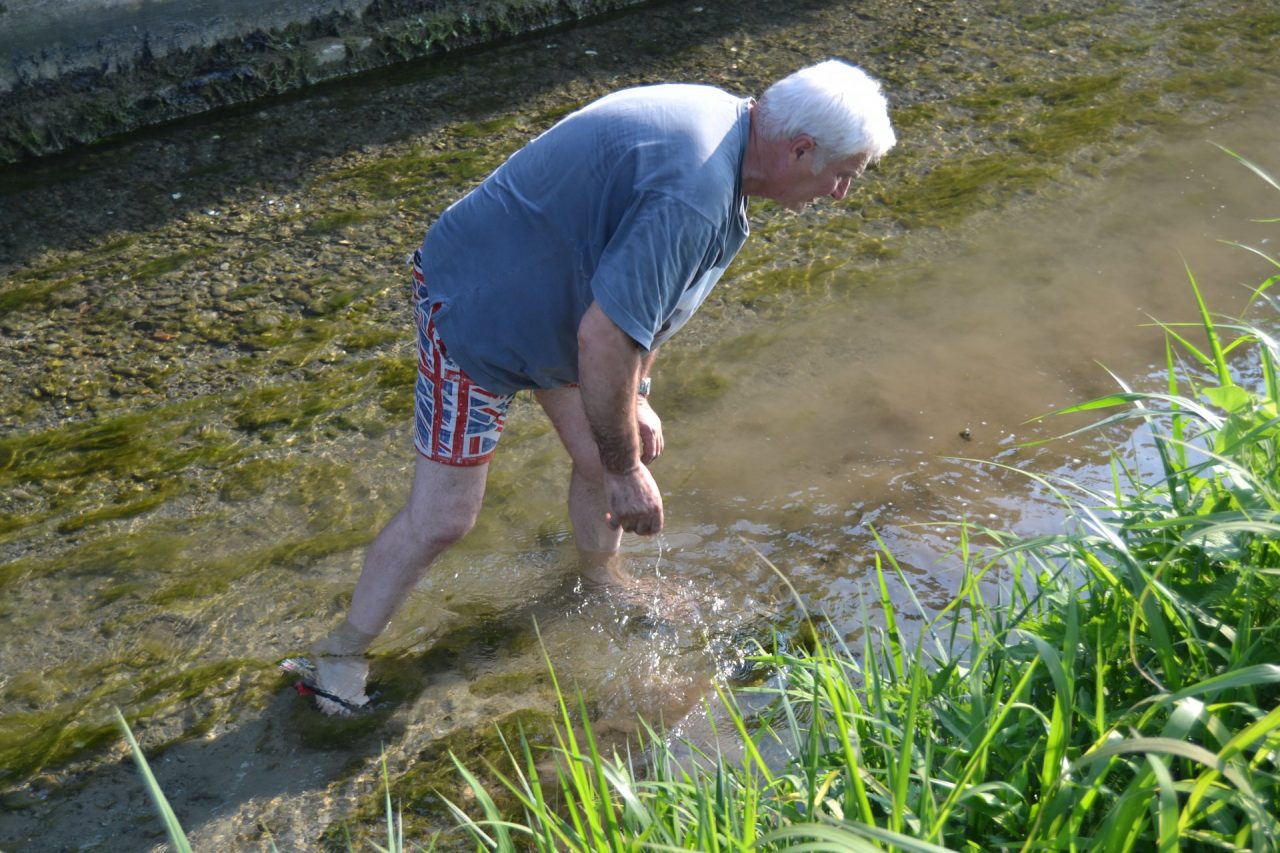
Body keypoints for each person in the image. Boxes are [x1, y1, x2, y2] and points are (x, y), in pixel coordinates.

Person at [303, 59, 896, 715]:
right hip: (474, 306)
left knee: (606, 444)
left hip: (558, 297)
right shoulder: (694, 193)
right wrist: (623, 470)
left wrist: (634, 398)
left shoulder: (732, 136)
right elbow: (605, 338)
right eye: (842, 174)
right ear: (800, 148)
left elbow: (640, 307)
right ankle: (340, 653)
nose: (841, 192)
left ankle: (599, 578)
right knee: (446, 515)